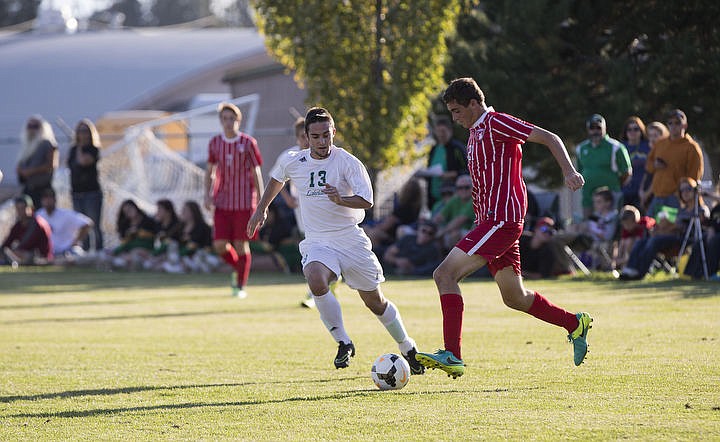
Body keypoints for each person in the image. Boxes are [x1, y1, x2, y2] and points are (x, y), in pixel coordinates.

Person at [414, 78, 591, 379]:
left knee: (444, 274)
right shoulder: (474, 134)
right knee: (515, 297)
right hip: (490, 221)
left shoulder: (496, 123)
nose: (454, 119)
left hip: (502, 220)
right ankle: (575, 324)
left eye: (457, 111)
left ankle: (452, 354)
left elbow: (550, 137)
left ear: (473, 104)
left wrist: (569, 170)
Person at [247, 107, 424, 374]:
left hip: (351, 239)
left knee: (375, 301)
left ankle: (407, 346)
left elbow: (367, 200)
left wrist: (341, 199)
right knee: (315, 278)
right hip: (318, 240)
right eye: (315, 136)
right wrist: (262, 209)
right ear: (306, 136)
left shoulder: (348, 162)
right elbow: (276, 179)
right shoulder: (295, 161)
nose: (321, 142)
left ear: (334, 133)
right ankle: (343, 341)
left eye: (326, 135)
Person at [205, 102, 263, 298]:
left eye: (232, 119)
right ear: (221, 121)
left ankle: (240, 286)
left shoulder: (248, 143)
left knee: (240, 245)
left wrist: (262, 202)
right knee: (219, 244)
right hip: (222, 202)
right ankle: (239, 269)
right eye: (225, 119)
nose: (229, 123)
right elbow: (210, 171)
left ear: (238, 120)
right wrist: (207, 194)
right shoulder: (215, 143)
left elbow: (256, 172)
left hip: (244, 202)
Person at [619, 177, 710, 280]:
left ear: (695, 191)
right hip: (672, 237)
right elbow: (672, 226)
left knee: (654, 241)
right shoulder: (681, 210)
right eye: (682, 190)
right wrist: (658, 230)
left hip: (687, 240)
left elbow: (695, 227)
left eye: (688, 189)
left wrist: (673, 226)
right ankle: (630, 269)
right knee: (642, 241)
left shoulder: (701, 209)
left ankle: (639, 273)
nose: (685, 192)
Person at [645, 110, 704, 218]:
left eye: (677, 123)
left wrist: (683, 196)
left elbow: (694, 178)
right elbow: (649, 165)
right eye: (670, 123)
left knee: (669, 231)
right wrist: (655, 165)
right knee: (650, 228)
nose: (673, 126)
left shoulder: (691, 147)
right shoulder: (661, 143)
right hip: (658, 197)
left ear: (685, 125)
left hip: (676, 199)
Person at [575, 114, 632, 217]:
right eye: (592, 128)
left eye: (598, 127)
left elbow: (626, 172)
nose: (595, 131)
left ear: (604, 128)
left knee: (612, 224)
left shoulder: (616, 147)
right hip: (588, 197)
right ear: (588, 130)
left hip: (611, 197)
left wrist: (615, 184)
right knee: (589, 225)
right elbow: (580, 171)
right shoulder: (581, 148)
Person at [67, 119, 104, 251]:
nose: (82, 134)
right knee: (82, 225)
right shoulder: (73, 150)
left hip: (91, 193)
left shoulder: (93, 149)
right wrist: (77, 146)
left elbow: (83, 162)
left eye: (85, 131)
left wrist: (80, 147)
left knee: (94, 225)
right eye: (80, 131)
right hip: (77, 193)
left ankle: (99, 252)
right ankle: (86, 252)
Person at [364, 177, 423, 252]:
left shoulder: (403, 209)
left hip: (392, 237)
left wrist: (373, 227)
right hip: (398, 236)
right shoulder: (416, 209)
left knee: (372, 232)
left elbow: (384, 226)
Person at [420, 117, 468, 209]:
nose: (441, 134)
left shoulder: (457, 148)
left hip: (453, 196)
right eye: (438, 131)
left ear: (450, 131)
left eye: (443, 131)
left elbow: (469, 170)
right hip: (434, 196)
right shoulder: (434, 149)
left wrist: (453, 174)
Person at [36, 187, 93, 260]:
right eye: (45, 198)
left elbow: (87, 223)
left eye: (50, 198)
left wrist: (76, 241)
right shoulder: (38, 215)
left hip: (68, 251)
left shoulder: (65, 214)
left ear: (55, 200)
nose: (48, 201)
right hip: (48, 253)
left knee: (78, 255)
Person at [16, 116, 59, 208]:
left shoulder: (47, 144)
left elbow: (51, 165)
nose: (32, 129)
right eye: (30, 126)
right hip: (28, 188)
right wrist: (20, 171)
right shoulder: (26, 145)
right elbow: (20, 165)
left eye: (35, 126)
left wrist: (30, 171)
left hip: (43, 190)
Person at [1, 195, 53, 266]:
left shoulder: (38, 224)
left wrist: (12, 252)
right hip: (24, 255)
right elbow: (7, 244)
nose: (20, 212)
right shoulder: (18, 225)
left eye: (22, 208)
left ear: (31, 208)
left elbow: (26, 246)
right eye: (18, 209)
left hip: (41, 258)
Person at [431, 174, 475, 252]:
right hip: (454, 231)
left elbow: (460, 220)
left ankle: (453, 261)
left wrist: (442, 231)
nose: (463, 190)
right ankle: (439, 260)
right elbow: (440, 217)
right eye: (460, 188)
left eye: (466, 187)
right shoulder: (455, 199)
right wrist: (430, 227)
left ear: (472, 187)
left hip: (472, 234)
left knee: (454, 234)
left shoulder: (474, 200)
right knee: (430, 233)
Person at [111, 199, 158, 269]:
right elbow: (124, 243)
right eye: (126, 212)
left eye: (130, 209)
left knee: (137, 252)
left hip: (145, 251)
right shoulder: (125, 225)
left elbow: (151, 239)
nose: (129, 212)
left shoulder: (148, 221)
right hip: (129, 251)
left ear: (135, 207)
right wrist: (129, 235)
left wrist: (138, 232)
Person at [619, 116, 650, 210]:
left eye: (636, 129)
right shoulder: (620, 147)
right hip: (625, 192)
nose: (632, 132)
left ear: (641, 131)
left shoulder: (648, 146)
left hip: (644, 191)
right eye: (629, 129)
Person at [638, 121, 670, 211]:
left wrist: (647, 194)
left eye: (655, 136)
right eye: (650, 136)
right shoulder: (650, 153)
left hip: (658, 195)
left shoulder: (664, 153)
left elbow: (658, 176)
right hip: (646, 195)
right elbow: (647, 173)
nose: (652, 139)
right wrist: (641, 190)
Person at [614, 205, 655, 270]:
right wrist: (618, 257)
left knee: (631, 242)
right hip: (633, 248)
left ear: (635, 221)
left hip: (646, 245)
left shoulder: (643, 224)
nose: (626, 227)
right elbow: (622, 242)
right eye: (624, 224)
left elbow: (639, 241)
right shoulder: (626, 229)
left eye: (627, 224)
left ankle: (628, 262)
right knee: (627, 241)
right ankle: (624, 264)